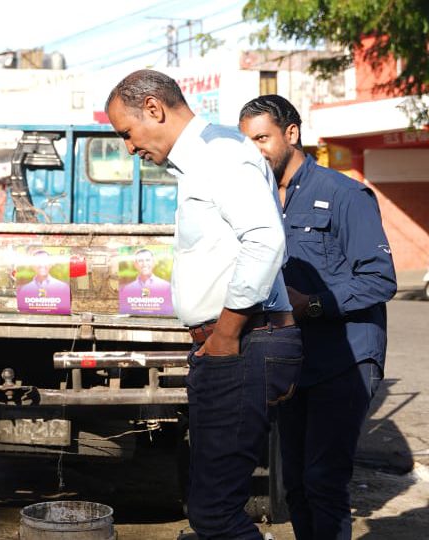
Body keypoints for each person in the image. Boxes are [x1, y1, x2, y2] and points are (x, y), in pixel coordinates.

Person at [106, 69, 303, 540]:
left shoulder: (221, 155)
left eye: (127, 134)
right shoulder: (198, 162)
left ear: (154, 108)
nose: (129, 149)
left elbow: (264, 241)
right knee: (209, 507)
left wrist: (226, 334)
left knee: (215, 512)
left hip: (242, 342)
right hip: (233, 343)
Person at [239, 95, 397, 540]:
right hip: (292, 365)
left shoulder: (344, 194)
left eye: (262, 138)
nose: (256, 150)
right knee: (297, 486)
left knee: (324, 481)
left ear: (291, 134)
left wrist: (310, 304)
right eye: (247, 142)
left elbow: (380, 279)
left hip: (344, 362)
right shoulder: (257, 203)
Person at [119, 247, 173, 315]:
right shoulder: (127, 289)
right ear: (135, 264)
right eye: (140, 261)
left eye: (147, 260)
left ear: (153, 262)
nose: (144, 264)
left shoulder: (166, 287)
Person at [17, 249, 71, 314]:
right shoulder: (24, 290)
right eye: (37, 262)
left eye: (45, 261)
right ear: (32, 265)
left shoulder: (63, 287)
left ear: (51, 264)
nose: (41, 265)